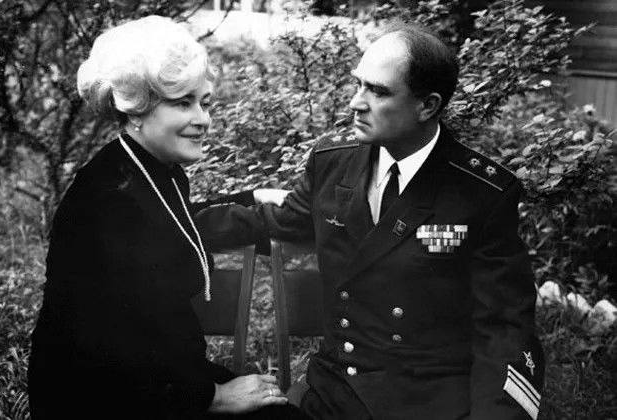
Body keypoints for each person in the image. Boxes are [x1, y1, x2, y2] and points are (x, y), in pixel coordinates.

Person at [201, 24, 545, 419]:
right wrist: (169, 216)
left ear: (428, 106)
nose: (355, 103)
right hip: (336, 392)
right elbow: (273, 220)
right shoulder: (332, 166)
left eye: (378, 92)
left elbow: (505, 329)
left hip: (431, 402)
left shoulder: (480, 193)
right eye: (358, 85)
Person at [28, 16, 308, 420]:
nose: (203, 119)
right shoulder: (108, 201)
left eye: (204, 103)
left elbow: (174, 222)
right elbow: (103, 348)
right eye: (182, 103)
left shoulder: (149, 170)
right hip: (104, 399)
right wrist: (213, 397)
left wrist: (252, 198)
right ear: (135, 108)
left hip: (161, 381)